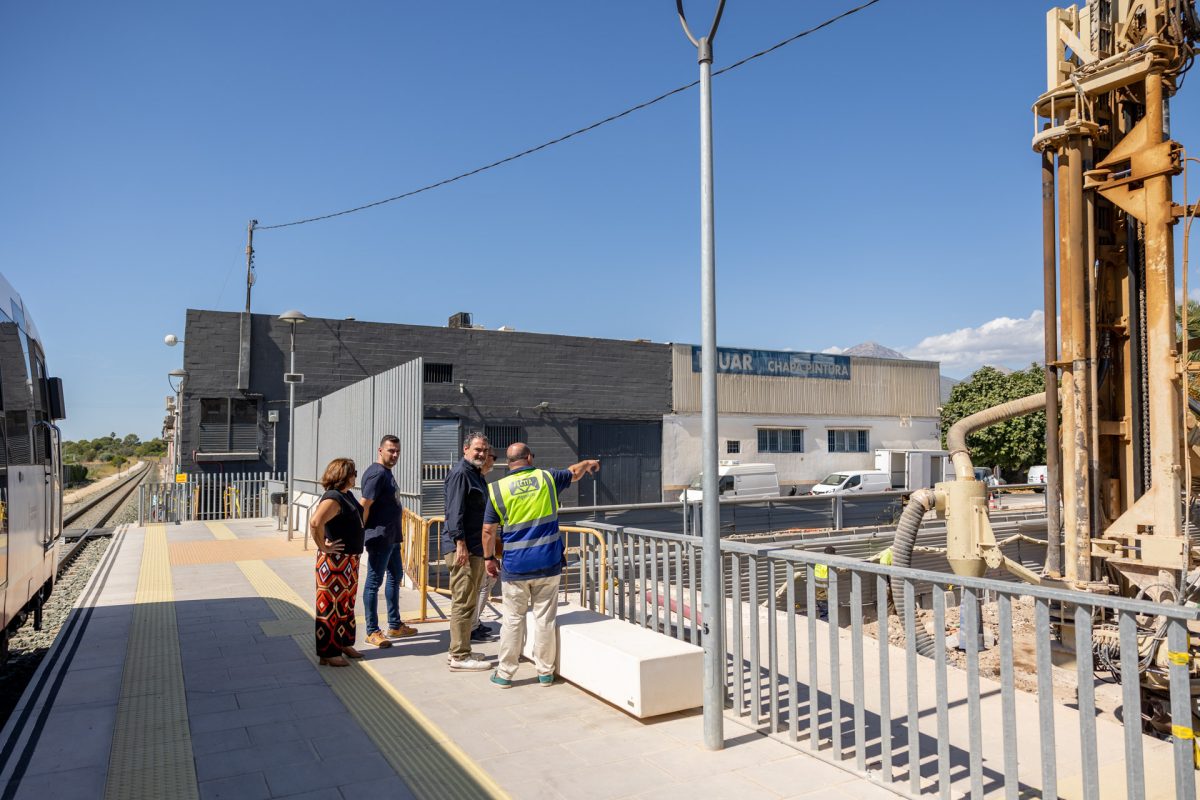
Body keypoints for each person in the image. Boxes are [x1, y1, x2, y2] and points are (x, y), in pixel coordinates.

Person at [483, 443, 599, 688]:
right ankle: (545, 673)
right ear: (529, 458)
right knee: (544, 619)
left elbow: (488, 530)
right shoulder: (546, 478)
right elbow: (574, 472)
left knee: (513, 620)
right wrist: (588, 463)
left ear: (509, 462)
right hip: (548, 563)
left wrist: (489, 559)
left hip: (515, 567)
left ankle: (505, 674)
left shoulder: (497, 489)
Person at [361, 434, 417, 649]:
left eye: (397, 451)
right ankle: (372, 631)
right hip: (380, 537)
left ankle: (394, 625)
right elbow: (364, 504)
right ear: (380, 450)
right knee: (374, 582)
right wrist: (361, 534)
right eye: (391, 451)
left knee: (395, 576)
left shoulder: (386, 473)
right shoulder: (376, 474)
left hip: (392, 536)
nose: (394, 455)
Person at [442, 432, 493, 671]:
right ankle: (459, 656)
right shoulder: (461, 474)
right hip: (463, 548)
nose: (481, 454)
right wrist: (459, 543)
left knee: (469, 601)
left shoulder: (476, 474)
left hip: (475, 548)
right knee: (462, 602)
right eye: (477, 450)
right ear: (465, 449)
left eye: (484, 450)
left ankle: (461, 650)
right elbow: (455, 512)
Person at [308, 457, 365, 667]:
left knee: (346, 604)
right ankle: (329, 652)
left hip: (349, 561)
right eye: (354, 473)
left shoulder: (346, 495)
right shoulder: (333, 497)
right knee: (330, 605)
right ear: (344, 475)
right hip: (334, 562)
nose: (355, 476)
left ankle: (343, 643)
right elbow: (315, 522)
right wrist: (323, 546)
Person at [470, 449, 499, 642]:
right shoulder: (473, 479)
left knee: (488, 582)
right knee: (482, 584)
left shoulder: (482, 481)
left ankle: (474, 622)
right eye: (492, 457)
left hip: (483, 541)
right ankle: (471, 626)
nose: (493, 461)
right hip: (477, 541)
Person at [814, 545, 836, 622]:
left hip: (818, 595)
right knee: (826, 615)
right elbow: (834, 572)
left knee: (823, 614)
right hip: (824, 595)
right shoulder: (828, 564)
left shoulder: (819, 562)